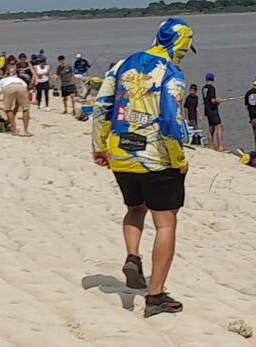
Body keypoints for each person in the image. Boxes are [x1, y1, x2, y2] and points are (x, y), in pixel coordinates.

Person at [91, 17, 195, 318]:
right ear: (180, 45)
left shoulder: (123, 64)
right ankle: (155, 294)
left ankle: (133, 257)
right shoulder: (172, 74)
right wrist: (179, 159)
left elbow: (102, 106)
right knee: (166, 223)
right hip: (156, 158)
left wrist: (99, 146)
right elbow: (172, 121)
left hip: (121, 153)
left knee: (135, 208)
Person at [0, 68, 31, 136]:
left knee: (8, 109)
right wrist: (17, 106)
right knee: (25, 109)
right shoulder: (17, 78)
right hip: (21, 86)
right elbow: (18, 102)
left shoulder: (1, 81)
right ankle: (26, 131)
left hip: (8, 87)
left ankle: (14, 130)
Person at [202, 73, 224, 151]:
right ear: (213, 79)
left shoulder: (204, 88)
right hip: (213, 110)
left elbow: (207, 100)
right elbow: (212, 100)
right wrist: (218, 101)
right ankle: (220, 146)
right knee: (219, 127)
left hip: (207, 110)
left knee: (211, 128)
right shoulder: (212, 88)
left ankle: (210, 145)